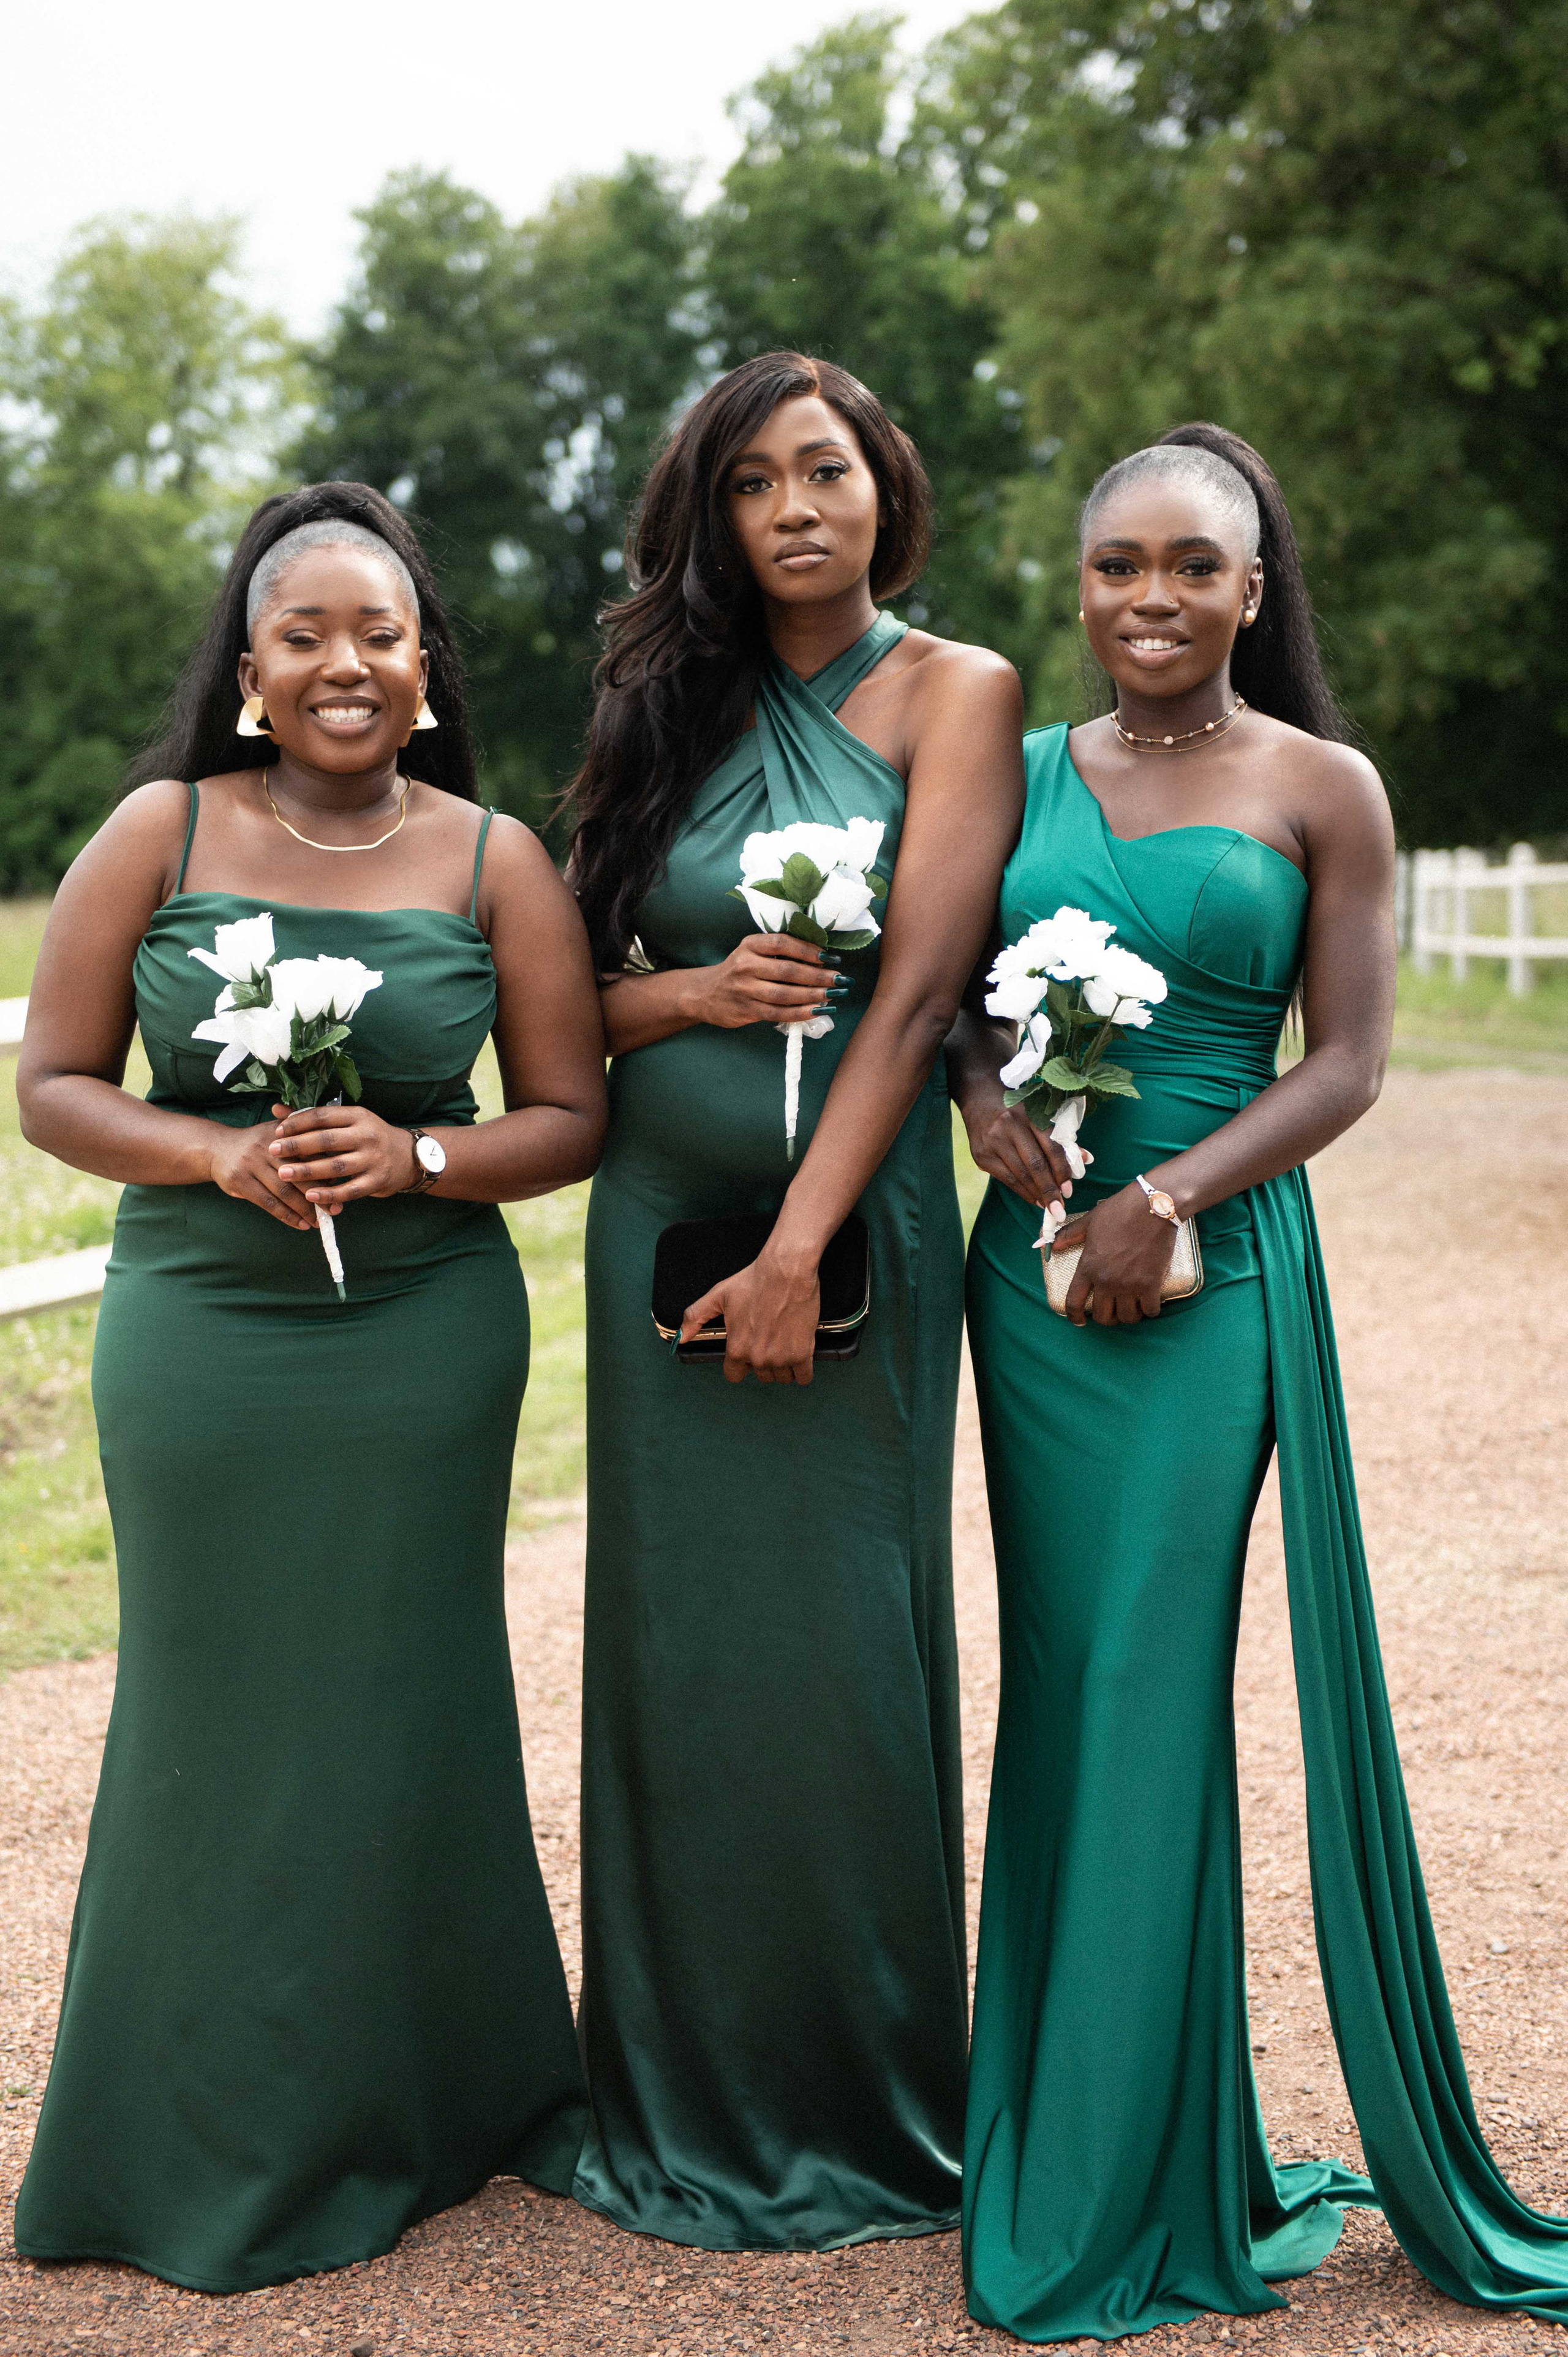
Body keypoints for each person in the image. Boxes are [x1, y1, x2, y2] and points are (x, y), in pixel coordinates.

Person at [949, 422, 1568, 2340]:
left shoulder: (1327, 788)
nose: (1151, 597)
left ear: (1253, 586)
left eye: (1191, 567)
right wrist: (988, 1113)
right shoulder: (1019, 770)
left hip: (1212, 1277)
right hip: (1035, 1278)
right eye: (1118, 564)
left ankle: (1123, 2187)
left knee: (1144, 1679)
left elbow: (1353, 1059)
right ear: (1079, 584)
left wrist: (1172, 1195)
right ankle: (1098, 2138)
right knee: (1063, 1688)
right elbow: (952, 1007)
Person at [12, 483, 605, 2293]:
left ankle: (438, 2089)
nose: (345, 663)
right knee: (212, 1702)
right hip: (204, 1333)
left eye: (379, 634)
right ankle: (192, 2116)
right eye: (305, 636)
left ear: (426, 668)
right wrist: (212, 1158)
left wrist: (417, 1164)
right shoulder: (162, 827)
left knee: (407, 1691)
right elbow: (51, 1085)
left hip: (421, 1338)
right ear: (252, 672)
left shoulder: (494, 856)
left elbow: (572, 1118)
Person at [565, 351, 1023, 2250]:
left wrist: (799, 1245)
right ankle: (676, 2087)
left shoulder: (958, 693)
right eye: (754, 483)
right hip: (657, 1231)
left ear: (881, 485)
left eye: (824, 469)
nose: (796, 509)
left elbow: (917, 1000)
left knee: (842, 1653)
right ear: (714, 517)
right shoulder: (661, 702)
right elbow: (561, 1002)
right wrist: (689, 999)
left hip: (847, 1247)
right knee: (679, 1659)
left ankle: (867, 2091)